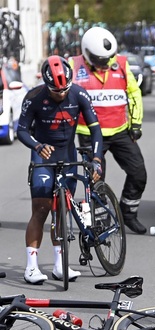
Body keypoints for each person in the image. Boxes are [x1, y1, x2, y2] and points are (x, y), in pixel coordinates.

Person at [17, 55, 103, 284]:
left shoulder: (79, 93)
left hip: (68, 155)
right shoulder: (34, 97)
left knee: (61, 210)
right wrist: (37, 145)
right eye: (56, 91)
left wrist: (97, 159)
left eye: (64, 89)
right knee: (41, 209)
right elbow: (22, 130)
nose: (62, 94)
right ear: (46, 85)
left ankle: (59, 265)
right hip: (43, 156)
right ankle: (32, 267)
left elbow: (95, 129)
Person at [69, 27, 147, 234]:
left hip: (120, 131)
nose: (105, 64)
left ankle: (128, 214)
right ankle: (101, 221)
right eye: (100, 60)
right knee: (95, 180)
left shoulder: (120, 63)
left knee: (139, 173)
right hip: (89, 134)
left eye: (107, 59)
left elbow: (134, 93)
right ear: (86, 52)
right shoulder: (73, 66)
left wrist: (136, 124)